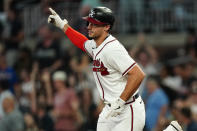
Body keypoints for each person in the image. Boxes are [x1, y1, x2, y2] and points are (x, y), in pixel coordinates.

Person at [48, 6, 182, 131]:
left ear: (106, 27)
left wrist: (121, 100)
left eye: (94, 24)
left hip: (128, 108)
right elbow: (82, 43)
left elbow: (138, 74)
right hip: (110, 109)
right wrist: (61, 25)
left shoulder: (113, 49)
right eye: (88, 22)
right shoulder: (96, 44)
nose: (89, 27)